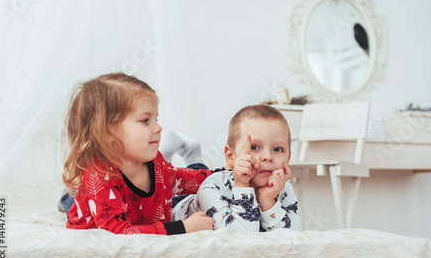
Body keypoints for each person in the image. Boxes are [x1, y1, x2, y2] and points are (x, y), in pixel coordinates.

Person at [63, 72, 215, 235]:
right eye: (145, 121)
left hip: (138, 216)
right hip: (95, 220)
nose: (158, 128)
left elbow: (177, 178)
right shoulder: (98, 175)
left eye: (156, 119)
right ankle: (67, 197)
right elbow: (118, 233)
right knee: (72, 199)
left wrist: (224, 176)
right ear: (107, 132)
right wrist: (183, 227)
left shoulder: (154, 160)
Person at [172, 104, 301, 232]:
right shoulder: (211, 187)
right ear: (230, 156)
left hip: (226, 175)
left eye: (278, 149)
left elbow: (294, 235)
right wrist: (241, 185)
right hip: (177, 202)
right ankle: (177, 155)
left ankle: (192, 155)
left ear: (288, 158)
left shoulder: (281, 184)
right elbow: (240, 236)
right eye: (254, 147)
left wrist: (268, 201)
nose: (267, 157)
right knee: (165, 177)